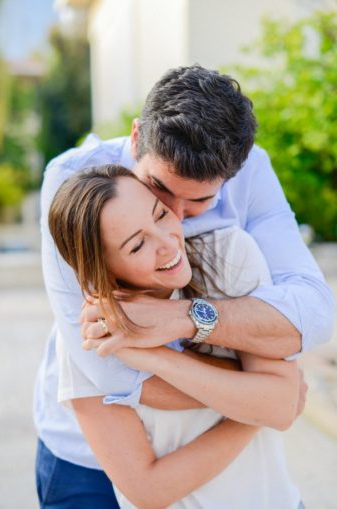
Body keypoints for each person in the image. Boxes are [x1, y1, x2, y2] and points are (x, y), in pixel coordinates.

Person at [34, 65, 333, 507]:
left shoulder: (238, 221)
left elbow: (313, 314)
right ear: (137, 140)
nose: (174, 214)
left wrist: (182, 320)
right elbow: (110, 374)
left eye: (199, 200)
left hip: (233, 472)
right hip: (91, 461)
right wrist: (259, 394)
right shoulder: (75, 186)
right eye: (157, 189)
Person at [47, 164, 302, 508]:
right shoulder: (91, 335)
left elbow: (283, 404)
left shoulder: (225, 258)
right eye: (138, 246)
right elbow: (148, 489)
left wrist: (154, 356)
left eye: (161, 215)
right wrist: (256, 410)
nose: (168, 244)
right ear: (101, 268)